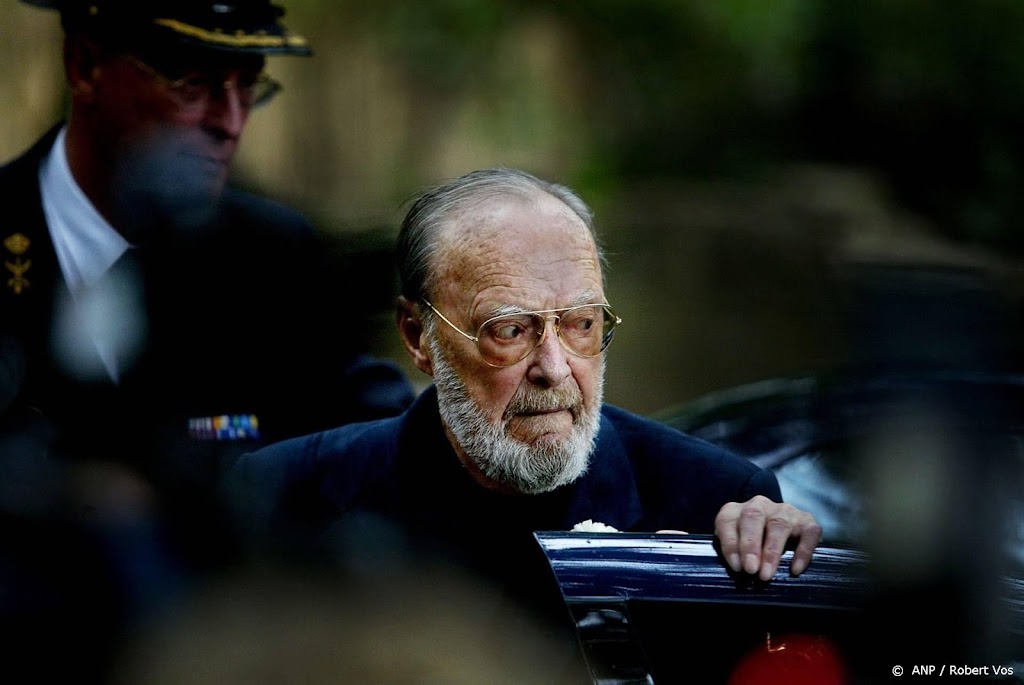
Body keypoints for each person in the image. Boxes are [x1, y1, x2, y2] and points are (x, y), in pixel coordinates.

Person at [228, 168, 823, 673]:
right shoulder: (283, 496)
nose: (555, 369)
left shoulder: (713, 505)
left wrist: (782, 583)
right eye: (510, 330)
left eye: (582, 324)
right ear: (417, 336)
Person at [0, 2, 415, 680]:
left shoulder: (272, 254)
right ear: (85, 66)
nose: (229, 122)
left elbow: (374, 430)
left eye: (247, 87)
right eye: (191, 84)